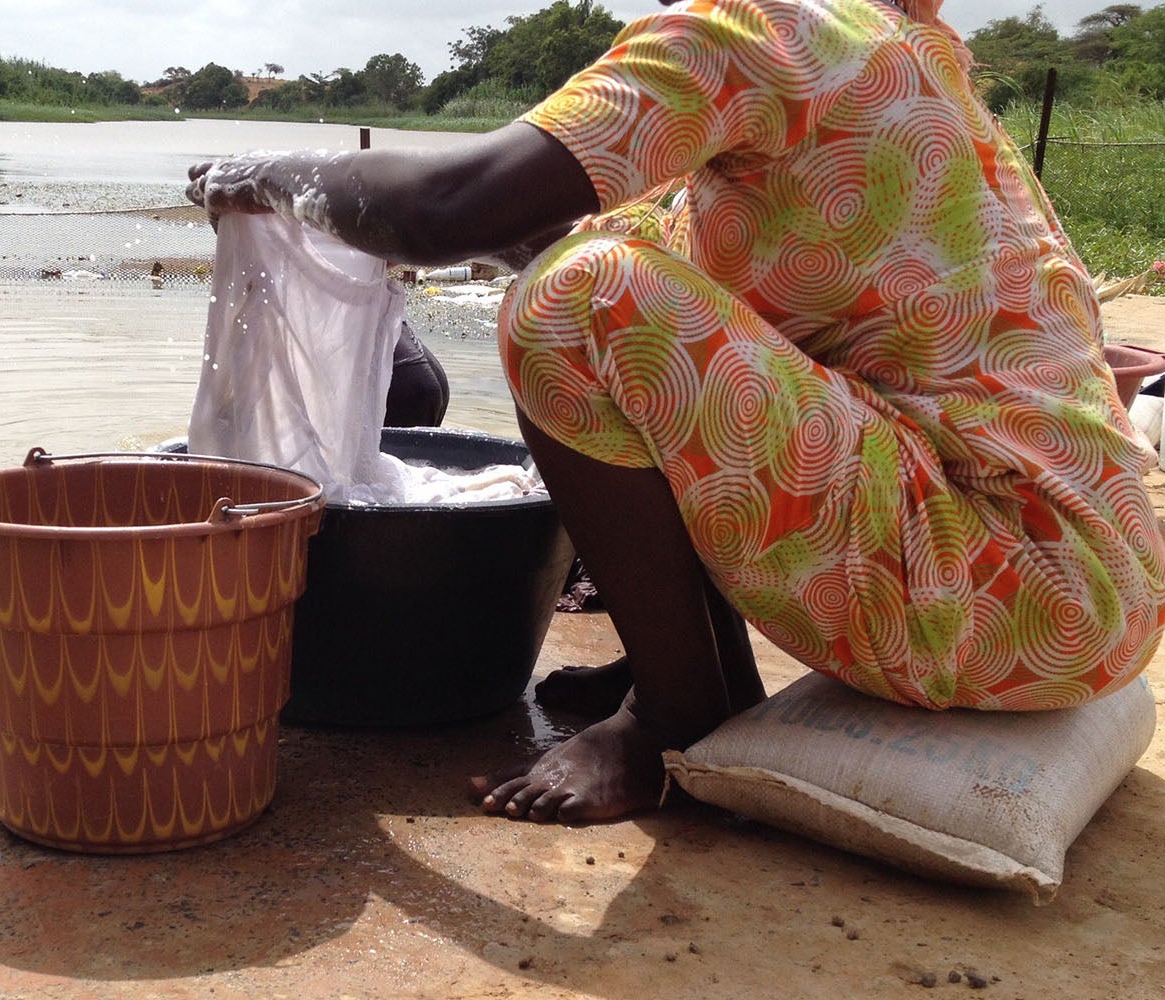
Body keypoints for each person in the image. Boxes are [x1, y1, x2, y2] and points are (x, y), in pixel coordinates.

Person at [187, 0, 1165, 825]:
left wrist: (270, 175)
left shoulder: (763, 28)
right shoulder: (895, 60)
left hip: (1002, 590)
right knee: (607, 283)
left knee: (577, 300)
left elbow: (455, 207)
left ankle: (674, 714)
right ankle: (694, 669)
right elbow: (570, 249)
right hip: (1092, 587)